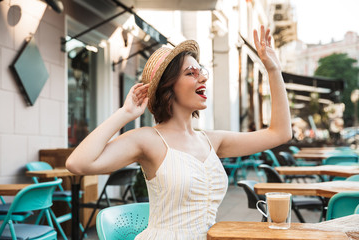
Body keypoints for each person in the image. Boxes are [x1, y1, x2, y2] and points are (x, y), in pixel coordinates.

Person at [66, 25, 291, 239]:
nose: (202, 77)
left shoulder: (212, 140)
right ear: (168, 86)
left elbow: (280, 134)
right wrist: (125, 113)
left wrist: (273, 70)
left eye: (200, 71)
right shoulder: (148, 139)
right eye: (190, 73)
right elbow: (77, 164)